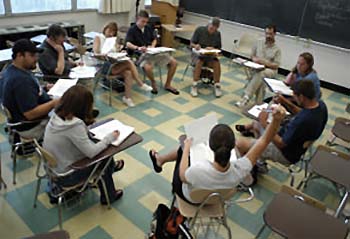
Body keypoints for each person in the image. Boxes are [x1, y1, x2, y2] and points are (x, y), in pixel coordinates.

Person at [148, 106, 286, 204]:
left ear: (211, 147)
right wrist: (276, 120)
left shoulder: (198, 170)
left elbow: (183, 176)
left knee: (182, 151)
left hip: (192, 199)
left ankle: (160, 160)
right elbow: (263, 141)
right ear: (233, 146)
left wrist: (186, 149)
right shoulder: (241, 169)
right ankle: (161, 160)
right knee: (185, 153)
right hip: (219, 199)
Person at [43, 85, 124, 205]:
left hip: (53, 170)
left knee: (100, 149)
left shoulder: (56, 115)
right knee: (105, 157)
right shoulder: (75, 125)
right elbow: (91, 152)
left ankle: (110, 168)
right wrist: (110, 137)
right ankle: (109, 196)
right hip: (67, 176)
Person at [235, 79, 328, 176]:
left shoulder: (303, 121)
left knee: (239, 143)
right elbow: (301, 113)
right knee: (256, 124)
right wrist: (284, 102)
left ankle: (248, 179)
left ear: (301, 97)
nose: (294, 98)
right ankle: (259, 162)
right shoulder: (320, 106)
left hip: (285, 153)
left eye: (295, 96)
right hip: (295, 144)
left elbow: (281, 143)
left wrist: (264, 124)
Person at [1, 39, 59, 139]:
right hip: (33, 126)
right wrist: (54, 103)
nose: (36, 58)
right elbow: (31, 114)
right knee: (72, 119)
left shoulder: (9, 70)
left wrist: (44, 88)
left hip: (20, 122)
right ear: (19, 56)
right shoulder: (21, 80)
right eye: (32, 55)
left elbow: (24, 94)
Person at [93, 21, 153, 107]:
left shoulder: (113, 39)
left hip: (114, 64)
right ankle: (140, 83)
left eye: (113, 31)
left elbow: (115, 51)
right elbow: (95, 53)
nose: (111, 33)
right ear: (105, 29)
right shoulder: (98, 37)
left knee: (128, 73)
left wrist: (120, 51)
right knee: (129, 62)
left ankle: (127, 98)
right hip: (103, 65)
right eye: (109, 30)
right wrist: (103, 55)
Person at [126, 10, 179, 95]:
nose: (144, 24)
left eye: (146, 22)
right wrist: (138, 48)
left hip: (152, 52)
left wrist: (152, 46)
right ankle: (153, 83)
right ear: (137, 19)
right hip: (140, 54)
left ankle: (168, 84)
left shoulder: (148, 27)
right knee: (148, 67)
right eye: (143, 21)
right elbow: (128, 44)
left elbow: (154, 39)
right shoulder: (132, 30)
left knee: (174, 62)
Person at [235, 25, 281, 107]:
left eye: (270, 34)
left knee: (261, 74)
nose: (268, 36)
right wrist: (254, 60)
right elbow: (252, 56)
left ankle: (246, 97)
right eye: (266, 33)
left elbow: (276, 65)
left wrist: (264, 63)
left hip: (270, 70)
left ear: (274, 34)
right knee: (261, 80)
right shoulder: (258, 42)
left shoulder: (277, 49)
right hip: (257, 67)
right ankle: (259, 103)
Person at [190, 17, 223, 98]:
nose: (212, 29)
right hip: (198, 54)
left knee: (216, 62)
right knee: (200, 61)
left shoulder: (217, 34)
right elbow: (191, 44)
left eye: (215, 28)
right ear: (208, 24)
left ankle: (217, 85)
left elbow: (219, 49)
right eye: (211, 27)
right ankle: (194, 85)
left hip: (210, 56)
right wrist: (196, 46)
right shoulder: (200, 30)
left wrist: (213, 49)